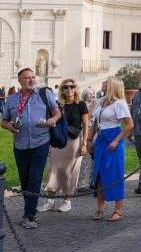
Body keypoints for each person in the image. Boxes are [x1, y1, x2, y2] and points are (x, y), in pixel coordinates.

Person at [0, 68, 62, 228]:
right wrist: (9, 127)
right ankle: (31, 211)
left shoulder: (44, 93)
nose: (31, 80)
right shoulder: (12, 99)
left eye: (33, 77)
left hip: (40, 142)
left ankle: (28, 216)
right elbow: (3, 120)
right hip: (20, 144)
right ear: (20, 81)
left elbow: (57, 112)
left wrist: (51, 120)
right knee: (25, 179)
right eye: (27, 78)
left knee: (35, 177)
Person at [38, 78, 88, 213]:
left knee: (69, 171)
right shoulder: (59, 105)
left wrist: (84, 144)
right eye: (66, 87)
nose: (69, 89)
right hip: (59, 141)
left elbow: (85, 126)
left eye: (72, 87)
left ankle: (67, 201)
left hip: (74, 142)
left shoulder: (81, 104)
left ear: (76, 88)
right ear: (62, 90)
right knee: (53, 169)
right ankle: (49, 200)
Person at [87, 77, 133, 221]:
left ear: (112, 86)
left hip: (113, 138)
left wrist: (116, 141)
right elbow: (94, 121)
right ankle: (100, 209)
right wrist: (89, 140)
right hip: (100, 139)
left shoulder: (119, 103)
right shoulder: (101, 102)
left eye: (105, 82)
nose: (102, 83)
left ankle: (118, 209)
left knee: (115, 174)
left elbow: (129, 125)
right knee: (99, 174)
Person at [76, 86, 97, 191]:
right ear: (85, 94)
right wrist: (93, 108)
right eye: (90, 94)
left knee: (93, 159)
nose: (92, 96)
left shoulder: (95, 105)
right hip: (84, 133)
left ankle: (92, 182)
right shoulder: (82, 104)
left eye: (93, 94)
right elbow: (86, 117)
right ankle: (82, 184)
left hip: (94, 134)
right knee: (85, 159)